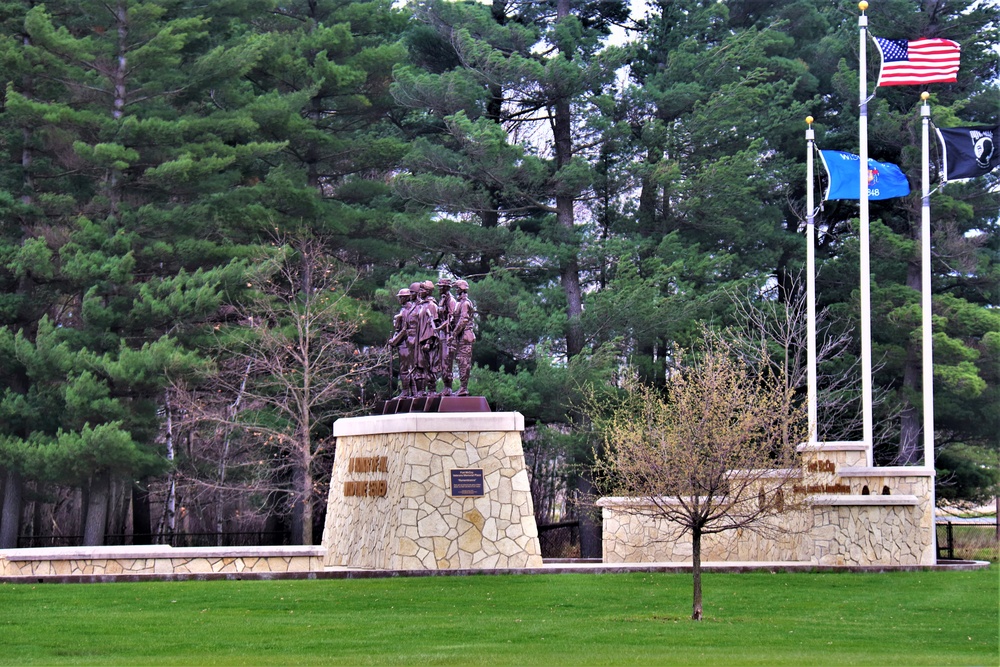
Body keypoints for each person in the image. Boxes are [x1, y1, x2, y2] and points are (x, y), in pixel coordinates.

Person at [450, 279, 476, 396]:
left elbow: (463, 320)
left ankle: (463, 388)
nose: (456, 290)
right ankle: (462, 387)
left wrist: (454, 334)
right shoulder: (458, 303)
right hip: (461, 336)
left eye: (457, 288)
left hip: (465, 336)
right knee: (460, 361)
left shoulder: (465, 303)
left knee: (464, 361)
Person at [387, 288, 414, 397]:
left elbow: (404, 330)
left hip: (405, 344)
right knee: (407, 368)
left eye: (401, 297)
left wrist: (394, 341)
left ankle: (406, 391)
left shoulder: (407, 311)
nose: (399, 299)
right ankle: (412, 391)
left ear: (406, 297)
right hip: (404, 343)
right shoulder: (405, 310)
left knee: (405, 369)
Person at [436, 278, 458, 395]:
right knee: (442, 361)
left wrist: (440, 327)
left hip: (449, 335)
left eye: (441, 286)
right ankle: (445, 386)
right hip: (442, 334)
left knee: (447, 361)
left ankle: (448, 387)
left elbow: (451, 319)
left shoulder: (451, 301)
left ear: (446, 288)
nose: (439, 288)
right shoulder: (443, 300)